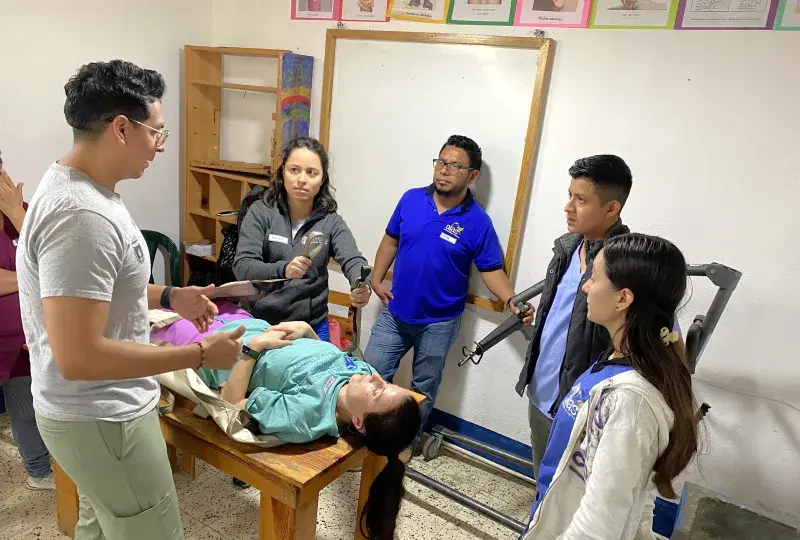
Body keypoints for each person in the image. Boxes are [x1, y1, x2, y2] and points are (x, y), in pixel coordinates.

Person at [16, 60, 245, 540]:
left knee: (102, 523)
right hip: (101, 415)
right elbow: (79, 356)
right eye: (157, 134)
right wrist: (201, 353)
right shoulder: (82, 214)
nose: (161, 148)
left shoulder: (82, 189)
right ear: (122, 128)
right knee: (149, 528)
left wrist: (170, 294)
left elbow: (97, 288)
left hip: (89, 414)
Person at [152, 311, 421, 540]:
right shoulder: (358, 379)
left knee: (144, 318)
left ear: (359, 423)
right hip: (248, 322)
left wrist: (253, 349)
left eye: (378, 391)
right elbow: (323, 361)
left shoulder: (306, 415)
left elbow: (231, 403)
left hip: (215, 347)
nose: (374, 378)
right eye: (385, 383)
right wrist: (307, 331)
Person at [522, 233, 699, 539]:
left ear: (623, 298)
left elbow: (598, 528)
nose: (585, 286)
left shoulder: (631, 403)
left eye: (594, 277)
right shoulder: (616, 357)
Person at [365, 134, 533, 454]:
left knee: (423, 388)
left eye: (455, 166)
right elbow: (390, 240)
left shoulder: (478, 222)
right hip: (396, 309)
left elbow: (491, 270)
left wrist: (511, 298)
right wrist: (376, 278)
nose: (444, 170)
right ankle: (365, 440)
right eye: (441, 162)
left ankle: (409, 444)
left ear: (472, 176)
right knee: (370, 374)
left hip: (439, 322)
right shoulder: (411, 199)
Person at [515, 155, 633, 479]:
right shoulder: (567, 249)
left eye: (580, 199)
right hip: (541, 391)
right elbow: (566, 316)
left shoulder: (623, 264)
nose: (568, 207)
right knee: (543, 482)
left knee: (571, 494)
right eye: (569, 196)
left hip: (579, 404)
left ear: (611, 209)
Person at [234, 137, 370, 343]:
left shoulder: (330, 221)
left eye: (311, 172)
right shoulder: (261, 212)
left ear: (322, 179)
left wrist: (361, 284)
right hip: (261, 322)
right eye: (294, 170)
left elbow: (353, 259)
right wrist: (284, 270)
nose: (302, 179)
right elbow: (243, 266)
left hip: (310, 325)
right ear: (282, 172)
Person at [0, 151, 54, 490]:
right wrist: (32, 274)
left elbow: (52, 255)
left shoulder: (22, 214)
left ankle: (39, 471)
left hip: (29, 337)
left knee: (26, 408)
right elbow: (43, 269)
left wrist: (15, 214)